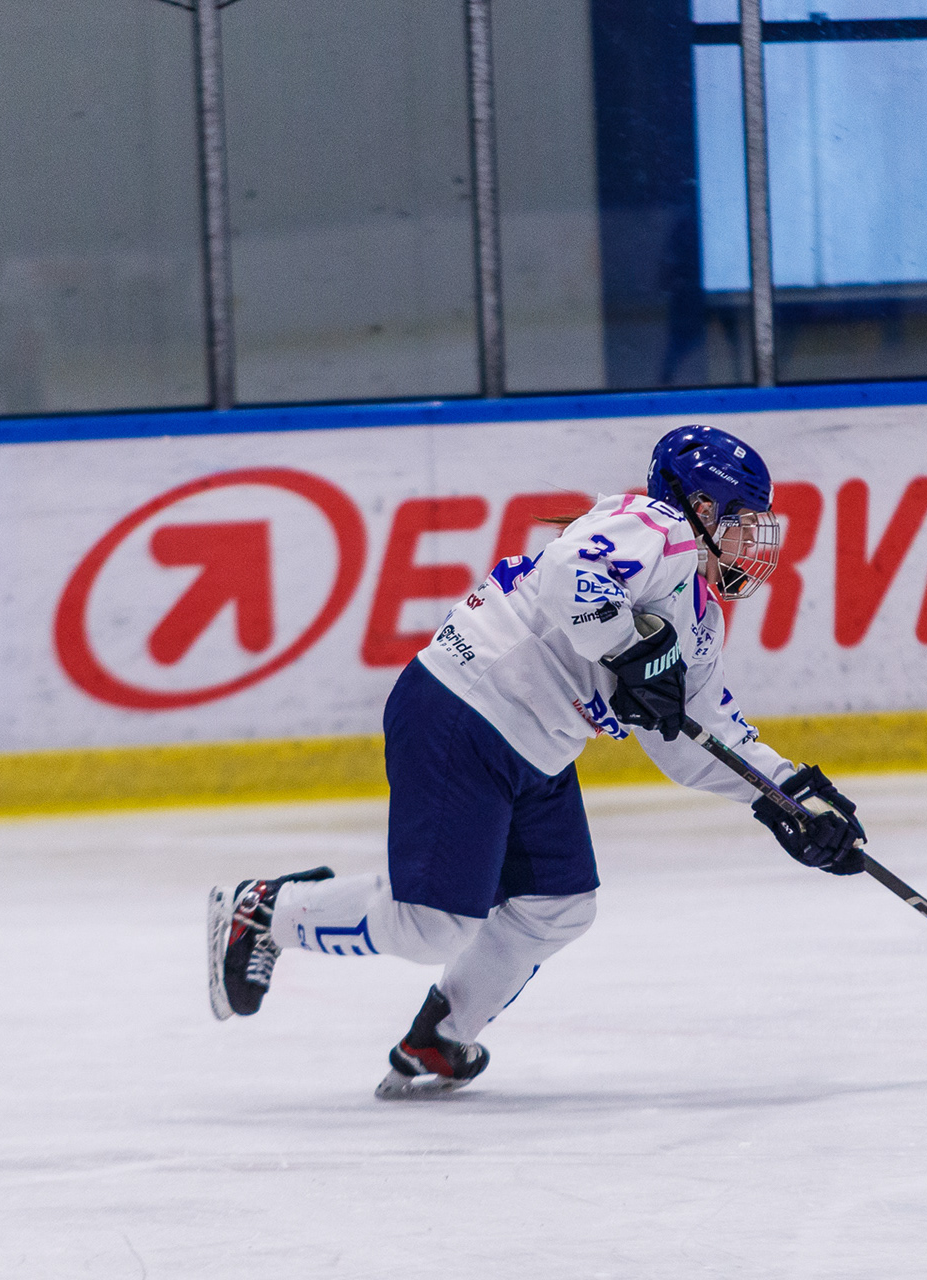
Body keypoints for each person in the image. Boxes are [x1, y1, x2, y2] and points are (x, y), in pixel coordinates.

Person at [205, 425, 866, 1097]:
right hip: (466, 707)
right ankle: (265, 911)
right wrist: (629, 648)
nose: (753, 542)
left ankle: (439, 1038)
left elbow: (697, 736)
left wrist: (788, 798)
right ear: (701, 506)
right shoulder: (655, 526)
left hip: (534, 744)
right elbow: (570, 575)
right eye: (743, 522)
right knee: (432, 925)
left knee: (558, 905)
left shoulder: (700, 618)